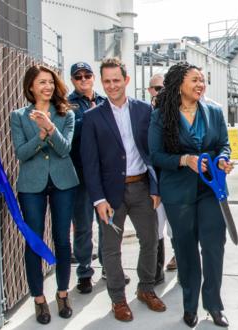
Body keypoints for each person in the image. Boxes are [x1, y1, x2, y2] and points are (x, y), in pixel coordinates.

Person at [81, 58, 166, 322]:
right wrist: (98, 199)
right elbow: (90, 162)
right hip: (110, 194)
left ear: (126, 80)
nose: (112, 85)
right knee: (111, 248)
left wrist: (155, 187)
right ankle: (118, 299)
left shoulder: (144, 110)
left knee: (150, 240)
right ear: (101, 82)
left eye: (116, 80)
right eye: (106, 81)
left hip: (141, 187)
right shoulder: (92, 117)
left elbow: (153, 151)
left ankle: (146, 289)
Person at [149, 62, 233, 328]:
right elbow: (156, 155)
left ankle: (214, 305)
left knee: (213, 248)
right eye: (195, 80)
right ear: (178, 84)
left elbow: (223, 146)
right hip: (178, 193)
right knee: (185, 251)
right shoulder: (162, 115)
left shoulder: (214, 111)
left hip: (211, 191)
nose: (201, 84)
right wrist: (185, 159)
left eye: (203, 80)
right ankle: (190, 305)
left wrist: (222, 160)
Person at [11, 65, 78, 324]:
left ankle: (62, 293)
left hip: (63, 182)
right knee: (34, 241)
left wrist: (50, 127)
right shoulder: (18, 116)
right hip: (31, 186)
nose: (48, 87)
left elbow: (64, 150)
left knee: (62, 240)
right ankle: (39, 299)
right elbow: (22, 153)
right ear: (31, 87)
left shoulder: (65, 114)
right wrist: (41, 134)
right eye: (42, 82)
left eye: (50, 82)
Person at [67, 62, 108, 294]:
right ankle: (84, 272)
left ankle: (108, 267)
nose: (83, 80)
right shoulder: (68, 105)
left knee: (107, 224)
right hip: (81, 175)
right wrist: (92, 119)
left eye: (87, 75)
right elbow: (72, 133)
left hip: (103, 175)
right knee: (83, 226)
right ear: (73, 80)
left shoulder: (104, 101)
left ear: (94, 77)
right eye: (78, 76)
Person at [146, 72, 174, 282]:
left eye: (164, 88)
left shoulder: (175, 114)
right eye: (156, 88)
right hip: (152, 180)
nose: (160, 92)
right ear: (150, 91)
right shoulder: (143, 114)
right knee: (155, 227)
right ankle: (156, 272)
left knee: (176, 227)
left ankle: (181, 259)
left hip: (173, 179)